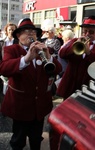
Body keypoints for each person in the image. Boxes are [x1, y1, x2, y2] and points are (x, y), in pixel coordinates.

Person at [0, 18, 62, 150]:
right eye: (26, 31)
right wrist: (26, 59)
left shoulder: (44, 48)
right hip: (20, 105)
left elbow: (58, 69)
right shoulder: (12, 49)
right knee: (18, 140)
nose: (30, 34)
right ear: (18, 35)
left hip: (39, 106)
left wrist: (48, 56)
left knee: (36, 139)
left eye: (33, 32)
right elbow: (4, 68)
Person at [56, 15, 95, 100]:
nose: (87, 34)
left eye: (91, 32)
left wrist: (89, 53)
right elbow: (62, 54)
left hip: (90, 87)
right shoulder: (75, 41)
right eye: (85, 31)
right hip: (71, 86)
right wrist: (74, 46)